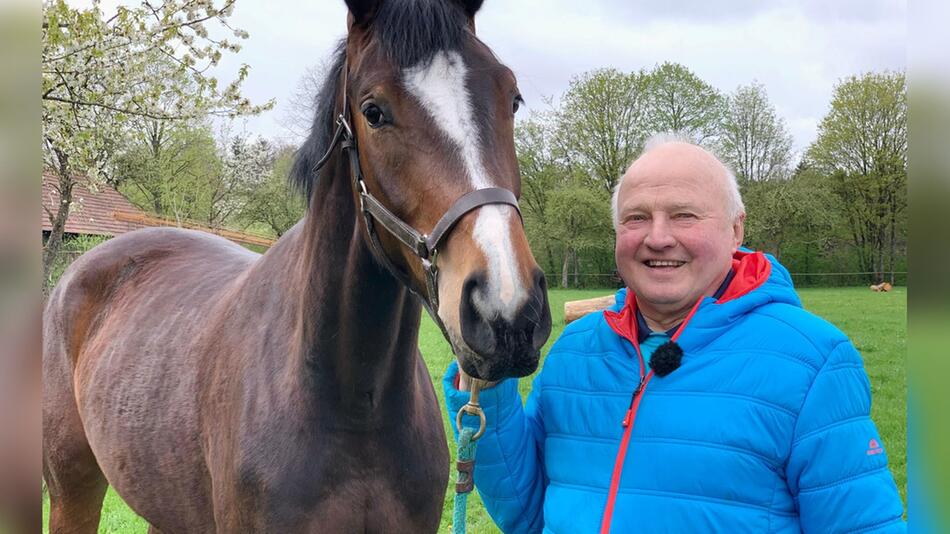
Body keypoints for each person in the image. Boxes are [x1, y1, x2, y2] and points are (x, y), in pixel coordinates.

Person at [444, 134, 906, 533]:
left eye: (684, 215)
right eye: (636, 218)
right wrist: (491, 386)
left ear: (734, 229)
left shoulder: (812, 362)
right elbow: (528, 515)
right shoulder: (575, 354)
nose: (658, 237)